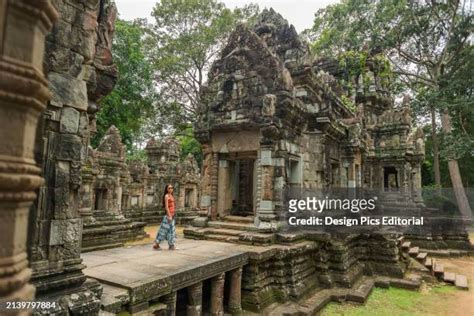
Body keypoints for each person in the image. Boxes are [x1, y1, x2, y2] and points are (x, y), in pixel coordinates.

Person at [153, 184, 177, 250]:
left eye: (172, 188)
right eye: (169, 188)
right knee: (163, 231)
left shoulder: (171, 196)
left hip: (172, 215)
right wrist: (169, 216)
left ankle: (171, 245)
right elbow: (166, 207)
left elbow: (173, 206)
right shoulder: (166, 196)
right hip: (168, 216)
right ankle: (156, 244)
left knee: (171, 231)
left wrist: (173, 215)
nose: (170, 189)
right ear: (167, 189)